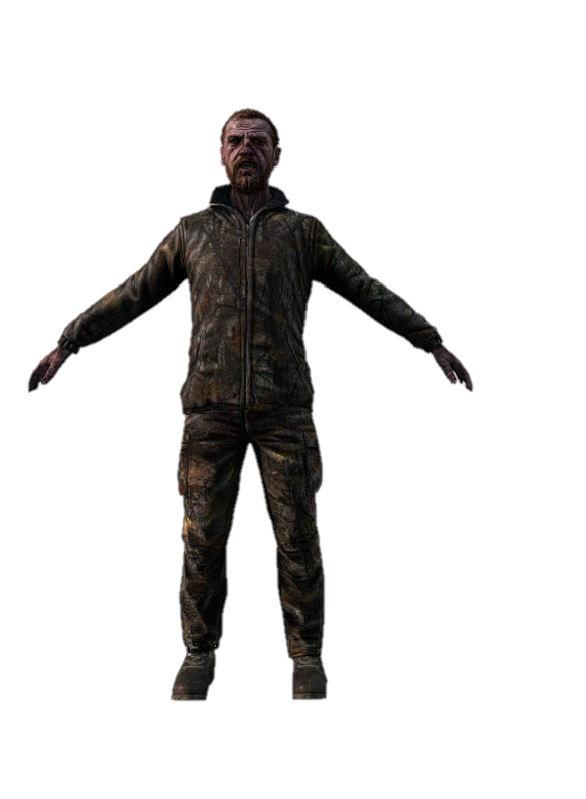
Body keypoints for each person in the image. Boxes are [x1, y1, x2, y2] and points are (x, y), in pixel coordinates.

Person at [29, 109, 472, 701]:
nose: (245, 149)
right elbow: (134, 292)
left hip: (284, 410)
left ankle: (306, 657)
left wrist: (428, 339)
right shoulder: (191, 233)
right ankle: (198, 654)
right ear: (220, 152)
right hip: (208, 410)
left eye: (257, 141)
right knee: (201, 540)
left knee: (298, 538)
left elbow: (365, 288)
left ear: (276, 154)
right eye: (235, 140)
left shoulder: (303, 233)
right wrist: (71, 341)